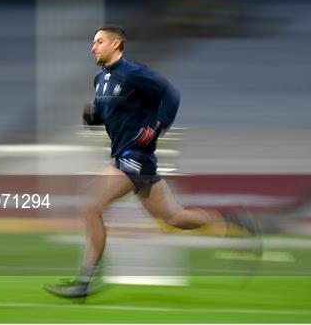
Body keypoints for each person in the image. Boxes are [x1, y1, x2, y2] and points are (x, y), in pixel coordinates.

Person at [43, 25, 257, 300]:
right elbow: (107, 115)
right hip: (127, 158)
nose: (93, 47)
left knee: (90, 204)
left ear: (116, 44)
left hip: (135, 157)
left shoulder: (134, 73)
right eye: (93, 43)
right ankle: (236, 223)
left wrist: (157, 127)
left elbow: (171, 94)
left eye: (99, 42)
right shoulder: (100, 79)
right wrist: (91, 117)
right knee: (174, 218)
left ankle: (84, 282)